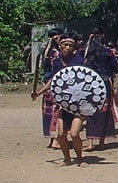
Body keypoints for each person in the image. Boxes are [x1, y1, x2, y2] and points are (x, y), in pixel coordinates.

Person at [32, 33, 87, 166]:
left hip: (77, 103)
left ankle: (80, 159)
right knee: (61, 134)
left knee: (74, 134)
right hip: (62, 103)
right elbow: (53, 80)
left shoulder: (79, 61)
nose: (68, 48)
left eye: (71, 45)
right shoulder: (56, 62)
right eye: (65, 45)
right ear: (60, 45)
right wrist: (39, 92)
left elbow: (87, 80)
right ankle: (67, 159)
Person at [83, 28, 118, 151]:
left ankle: (90, 142)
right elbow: (115, 67)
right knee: (104, 111)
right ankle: (101, 142)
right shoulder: (107, 52)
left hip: (89, 83)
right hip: (104, 82)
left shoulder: (86, 52)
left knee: (89, 110)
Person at [39, 28, 62, 149]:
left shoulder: (46, 52)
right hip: (54, 84)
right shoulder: (56, 54)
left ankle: (52, 139)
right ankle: (55, 140)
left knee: (49, 111)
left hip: (46, 84)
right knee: (56, 111)